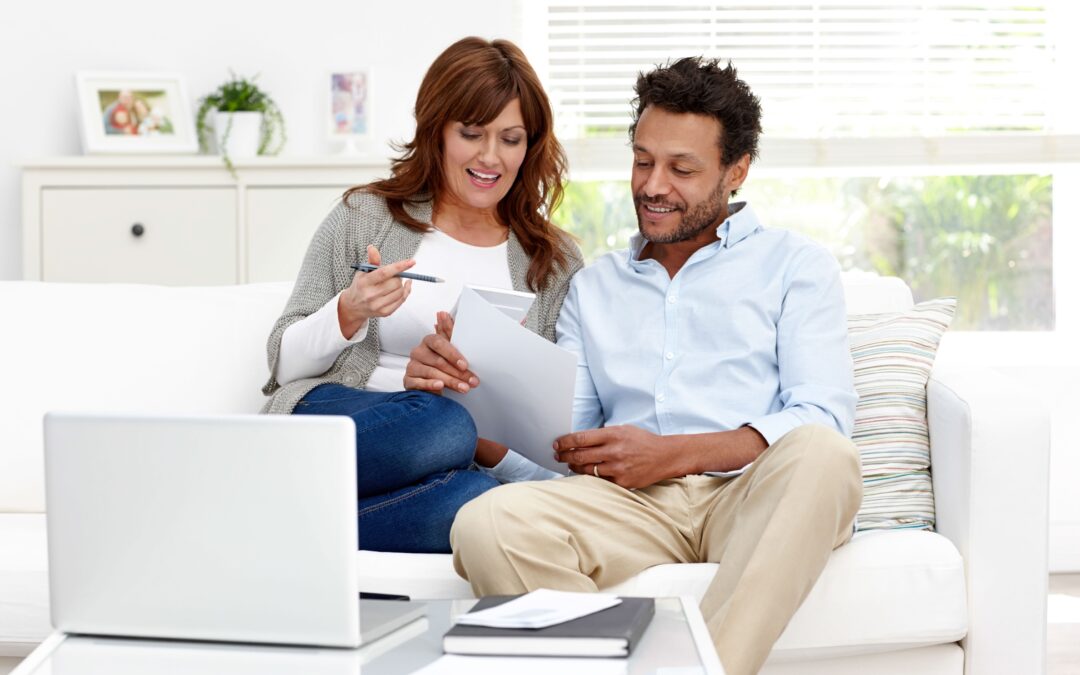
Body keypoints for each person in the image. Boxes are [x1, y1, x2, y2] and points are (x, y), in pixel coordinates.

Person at [441, 57, 862, 675]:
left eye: (682, 168)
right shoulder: (595, 286)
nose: (652, 185)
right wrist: (478, 410)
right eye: (643, 161)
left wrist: (673, 454)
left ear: (736, 171)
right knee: (486, 523)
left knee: (824, 456)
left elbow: (823, 416)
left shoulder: (795, 266)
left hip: (752, 495)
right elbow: (562, 446)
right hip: (632, 506)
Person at [260, 36, 583, 553]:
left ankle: (275, 529)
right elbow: (281, 365)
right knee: (444, 424)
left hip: (459, 458)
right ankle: (265, 486)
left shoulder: (554, 262)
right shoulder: (364, 216)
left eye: (511, 138)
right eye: (471, 133)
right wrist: (349, 311)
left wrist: (482, 405)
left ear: (531, 145)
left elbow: (551, 444)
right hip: (346, 416)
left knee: (477, 501)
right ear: (437, 130)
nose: (489, 157)